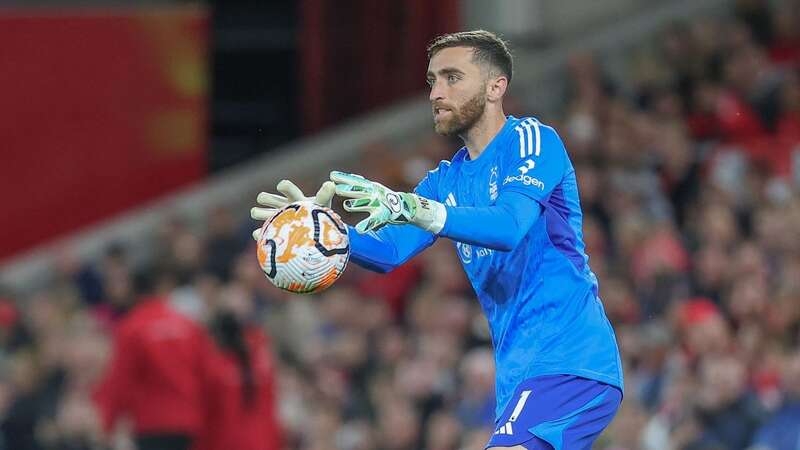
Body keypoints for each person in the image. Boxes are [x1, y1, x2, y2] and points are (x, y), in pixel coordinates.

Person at [251, 30, 623, 450]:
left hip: (571, 360)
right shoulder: (447, 179)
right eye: (432, 80)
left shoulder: (531, 141)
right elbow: (391, 250)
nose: (435, 93)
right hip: (519, 377)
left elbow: (509, 226)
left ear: (495, 87)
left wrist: (417, 210)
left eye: (452, 77)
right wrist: (328, 231)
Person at [92, 272, 211, 450]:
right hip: (190, 424)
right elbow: (207, 374)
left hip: (153, 426)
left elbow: (121, 381)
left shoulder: (131, 328)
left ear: (133, 293)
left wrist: (107, 422)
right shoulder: (187, 325)